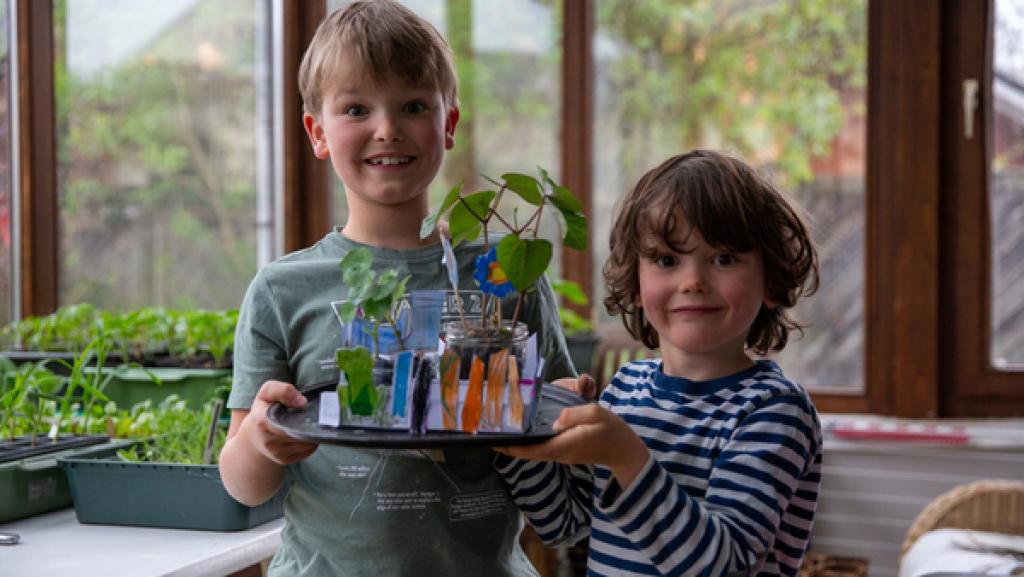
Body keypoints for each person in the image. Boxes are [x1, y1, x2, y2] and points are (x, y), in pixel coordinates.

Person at [218, 2, 574, 575]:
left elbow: (562, 449)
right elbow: (244, 487)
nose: (387, 128)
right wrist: (260, 441)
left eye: (413, 106)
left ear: (448, 124)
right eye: (356, 108)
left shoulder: (505, 273)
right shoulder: (282, 290)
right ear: (318, 133)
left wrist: (565, 411)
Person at [497, 149, 824, 577]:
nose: (692, 282)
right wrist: (518, 432)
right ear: (635, 282)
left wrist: (625, 456)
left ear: (772, 281)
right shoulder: (625, 388)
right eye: (667, 260)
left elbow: (721, 567)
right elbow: (564, 524)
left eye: (723, 258)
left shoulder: (775, 411)